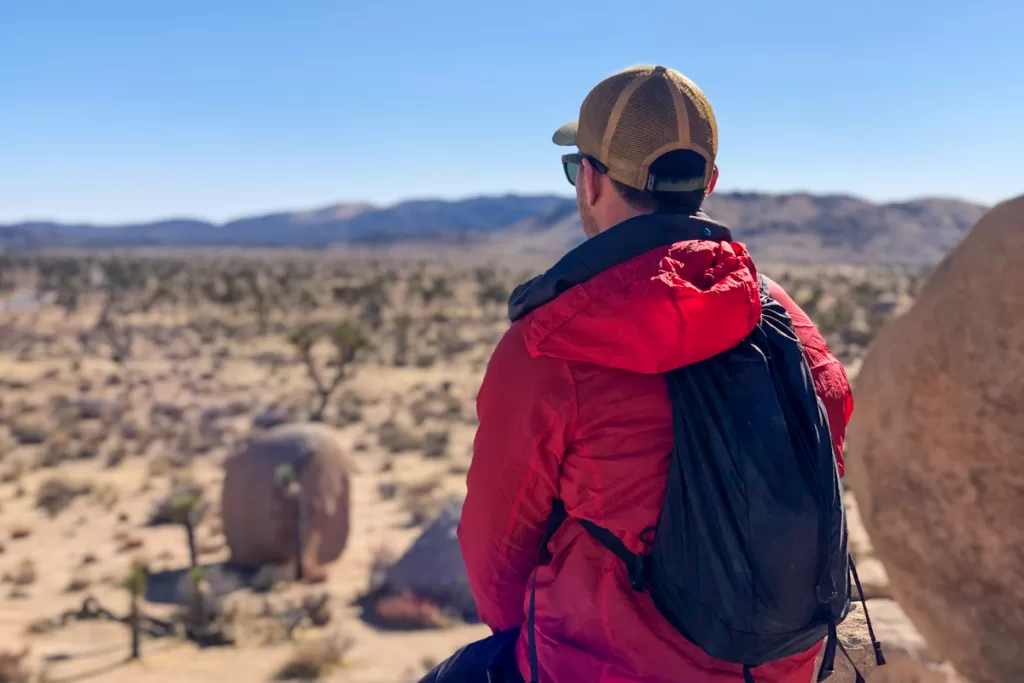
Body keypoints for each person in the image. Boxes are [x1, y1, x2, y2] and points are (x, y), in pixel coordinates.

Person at [445, 65, 855, 683]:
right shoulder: (786, 321)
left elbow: (496, 560)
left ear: (589, 180)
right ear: (709, 183)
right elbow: (826, 458)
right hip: (782, 664)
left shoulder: (550, 346)